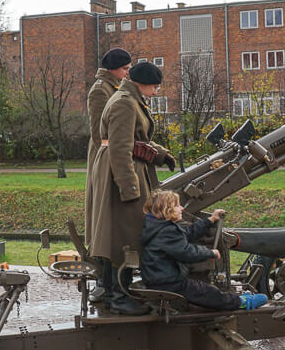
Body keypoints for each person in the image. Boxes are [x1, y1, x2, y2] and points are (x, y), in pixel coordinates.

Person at [89, 62, 175, 315]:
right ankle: (118, 296)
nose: (156, 91)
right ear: (142, 83)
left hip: (124, 171)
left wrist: (160, 154)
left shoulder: (128, 98)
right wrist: (129, 189)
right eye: (154, 86)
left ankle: (116, 291)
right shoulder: (125, 102)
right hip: (120, 175)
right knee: (122, 238)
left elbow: (137, 141)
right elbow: (119, 148)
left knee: (120, 235)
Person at [139, 190, 267, 312]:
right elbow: (186, 252)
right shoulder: (168, 231)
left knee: (201, 290)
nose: (182, 208)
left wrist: (210, 221)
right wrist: (210, 253)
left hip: (159, 277)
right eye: (177, 206)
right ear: (166, 209)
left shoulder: (158, 227)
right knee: (207, 292)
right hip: (168, 282)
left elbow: (188, 233)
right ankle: (240, 303)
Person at [85, 48, 131, 304]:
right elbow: (98, 133)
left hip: (115, 154)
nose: (127, 73)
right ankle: (105, 281)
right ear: (114, 69)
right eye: (125, 69)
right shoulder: (100, 91)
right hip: (105, 160)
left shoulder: (114, 88)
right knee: (105, 221)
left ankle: (112, 280)